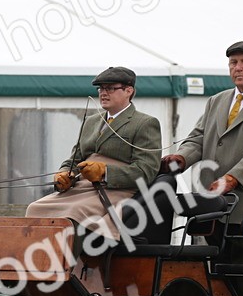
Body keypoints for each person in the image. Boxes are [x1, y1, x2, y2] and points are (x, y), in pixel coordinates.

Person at [161, 40, 243, 296]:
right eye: (233, 62)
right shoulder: (217, 101)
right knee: (213, 283)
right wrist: (181, 159)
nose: (238, 68)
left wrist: (231, 179)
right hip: (213, 209)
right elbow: (198, 138)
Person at [26, 66, 161, 241]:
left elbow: (146, 171)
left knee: (74, 213)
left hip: (115, 190)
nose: (103, 93)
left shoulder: (145, 123)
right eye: (101, 89)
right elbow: (75, 158)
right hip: (81, 187)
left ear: (129, 91)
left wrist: (105, 172)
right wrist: (64, 174)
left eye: (110, 88)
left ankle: (72, 265)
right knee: (35, 208)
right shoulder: (91, 121)